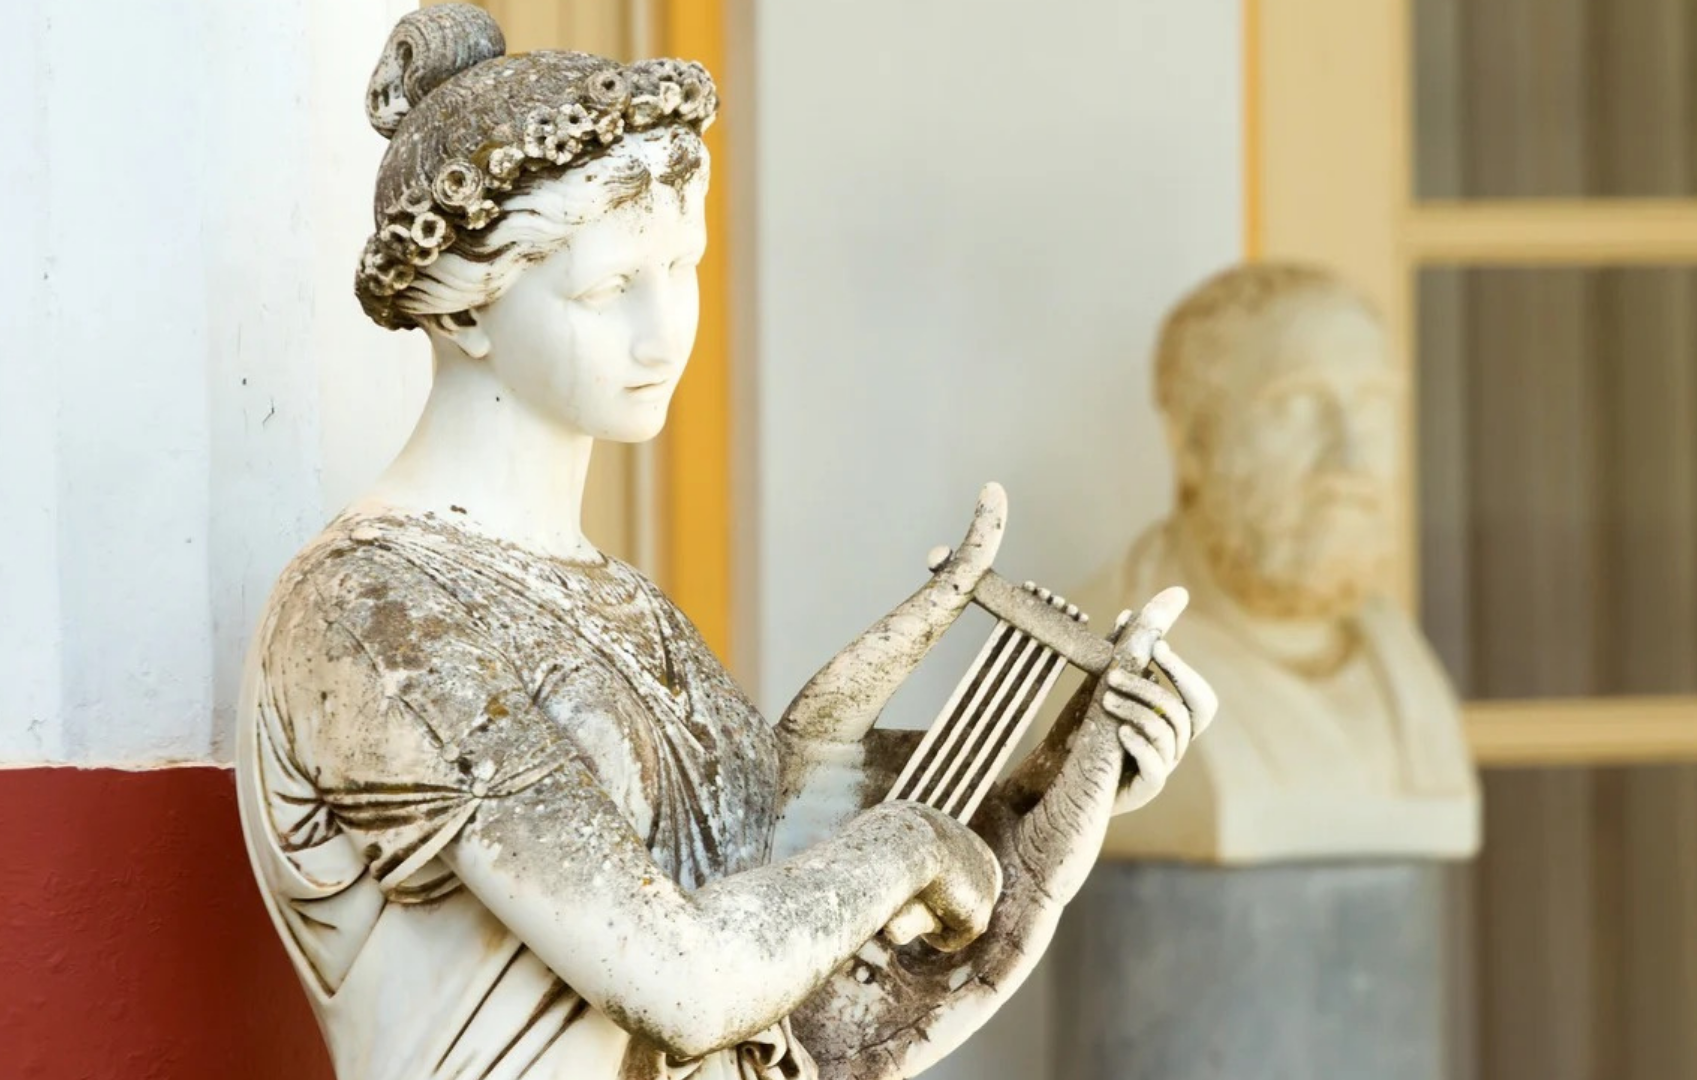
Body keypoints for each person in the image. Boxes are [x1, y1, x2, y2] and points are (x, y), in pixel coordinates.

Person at [236, 8, 1216, 1078]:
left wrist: (1047, 783)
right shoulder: (372, 614)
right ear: (466, 313)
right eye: (612, 288)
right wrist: (908, 846)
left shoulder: (622, 602)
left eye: (684, 266)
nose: (667, 332)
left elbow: (779, 923)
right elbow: (683, 980)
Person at [1072, 262, 1477, 864]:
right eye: (1296, 406)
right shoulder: (1094, 666)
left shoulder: (1404, 665)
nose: (1349, 458)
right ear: (1192, 443)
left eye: (1373, 405)